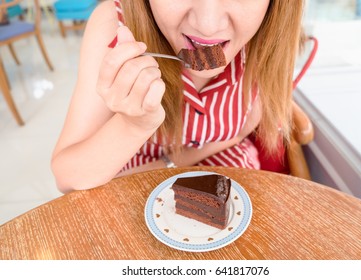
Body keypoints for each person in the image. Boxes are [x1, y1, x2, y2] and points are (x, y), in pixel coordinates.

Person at [51, 0, 305, 193]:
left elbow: (239, 134)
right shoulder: (115, 27)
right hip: (133, 186)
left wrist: (174, 162)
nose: (207, 25)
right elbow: (68, 179)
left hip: (235, 180)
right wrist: (133, 125)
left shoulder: (269, 35)